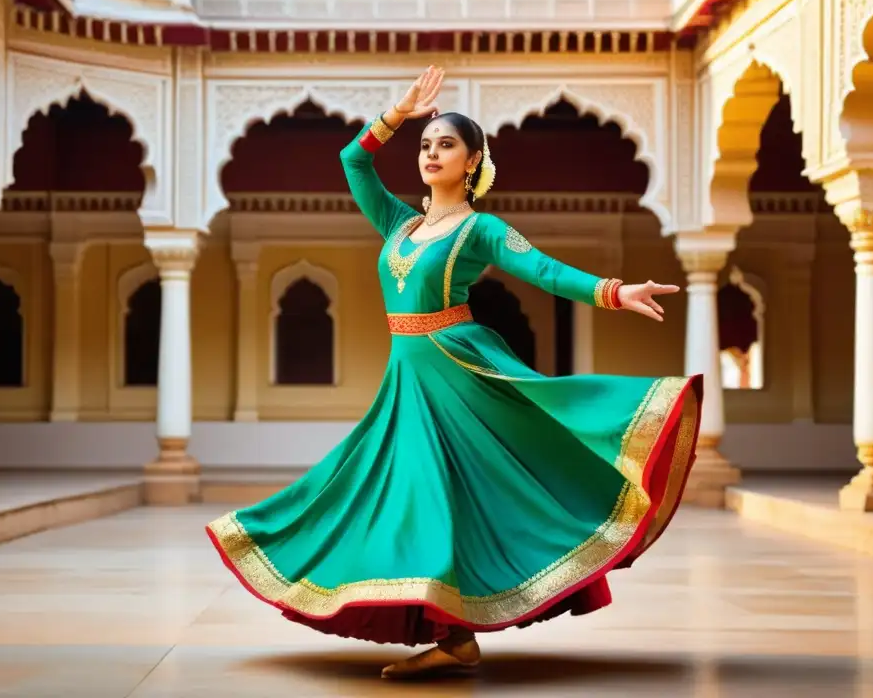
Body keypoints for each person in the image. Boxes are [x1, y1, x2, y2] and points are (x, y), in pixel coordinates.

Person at [207, 65, 702, 680]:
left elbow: (545, 273)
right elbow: (352, 163)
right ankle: (450, 631)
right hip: (407, 380)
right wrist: (399, 114)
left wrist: (613, 291)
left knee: (443, 494)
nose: (431, 152)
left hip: (457, 369)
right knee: (384, 489)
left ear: (473, 161)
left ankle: (453, 634)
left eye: (446, 144)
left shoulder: (482, 228)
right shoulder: (400, 225)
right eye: (425, 144)